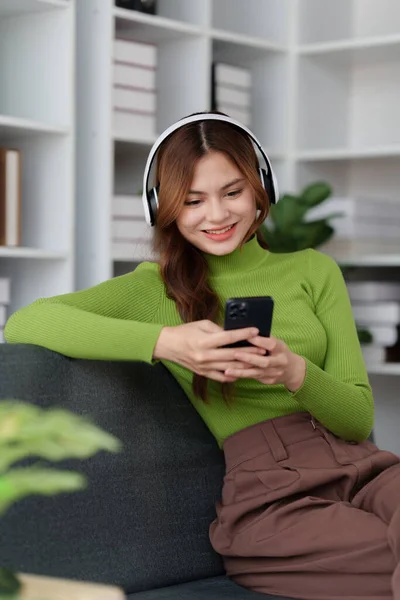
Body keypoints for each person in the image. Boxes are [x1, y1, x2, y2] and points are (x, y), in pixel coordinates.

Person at [4, 111, 400, 600]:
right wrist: (170, 343)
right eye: (193, 201)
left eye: (232, 192)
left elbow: (358, 419)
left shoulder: (314, 271)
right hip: (272, 495)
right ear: (163, 208)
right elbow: (26, 321)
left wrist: (294, 371)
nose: (216, 215)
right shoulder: (154, 289)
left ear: (260, 189)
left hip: (366, 468)